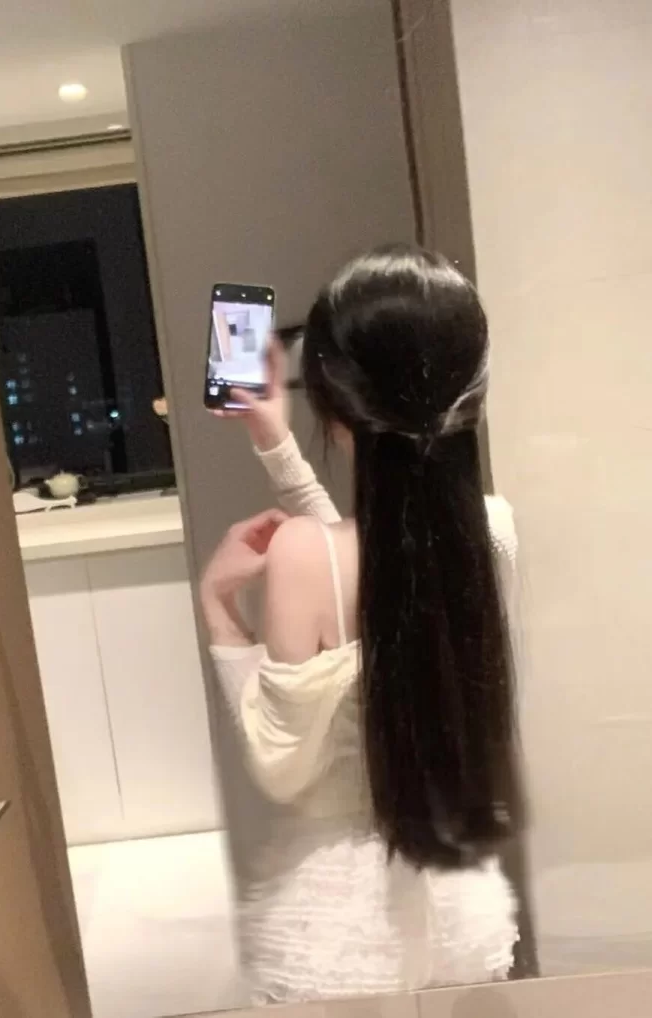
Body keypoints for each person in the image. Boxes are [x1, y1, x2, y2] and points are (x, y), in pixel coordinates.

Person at [201, 246, 523, 1004]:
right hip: (462, 904)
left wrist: (217, 605)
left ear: (333, 407)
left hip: (338, 930)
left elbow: (280, 761)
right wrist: (277, 448)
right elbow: (388, 569)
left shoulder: (302, 556)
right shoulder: (494, 533)